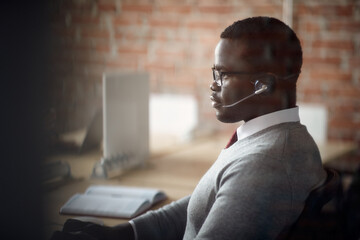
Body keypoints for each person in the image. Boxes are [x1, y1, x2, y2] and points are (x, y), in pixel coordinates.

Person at [51, 16, 327, 240]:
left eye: (224, 74)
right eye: (213, 73)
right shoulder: (271, 139)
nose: (213, 84)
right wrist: (124, 233)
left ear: (263, 85)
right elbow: (201, 204)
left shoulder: (265, 164)